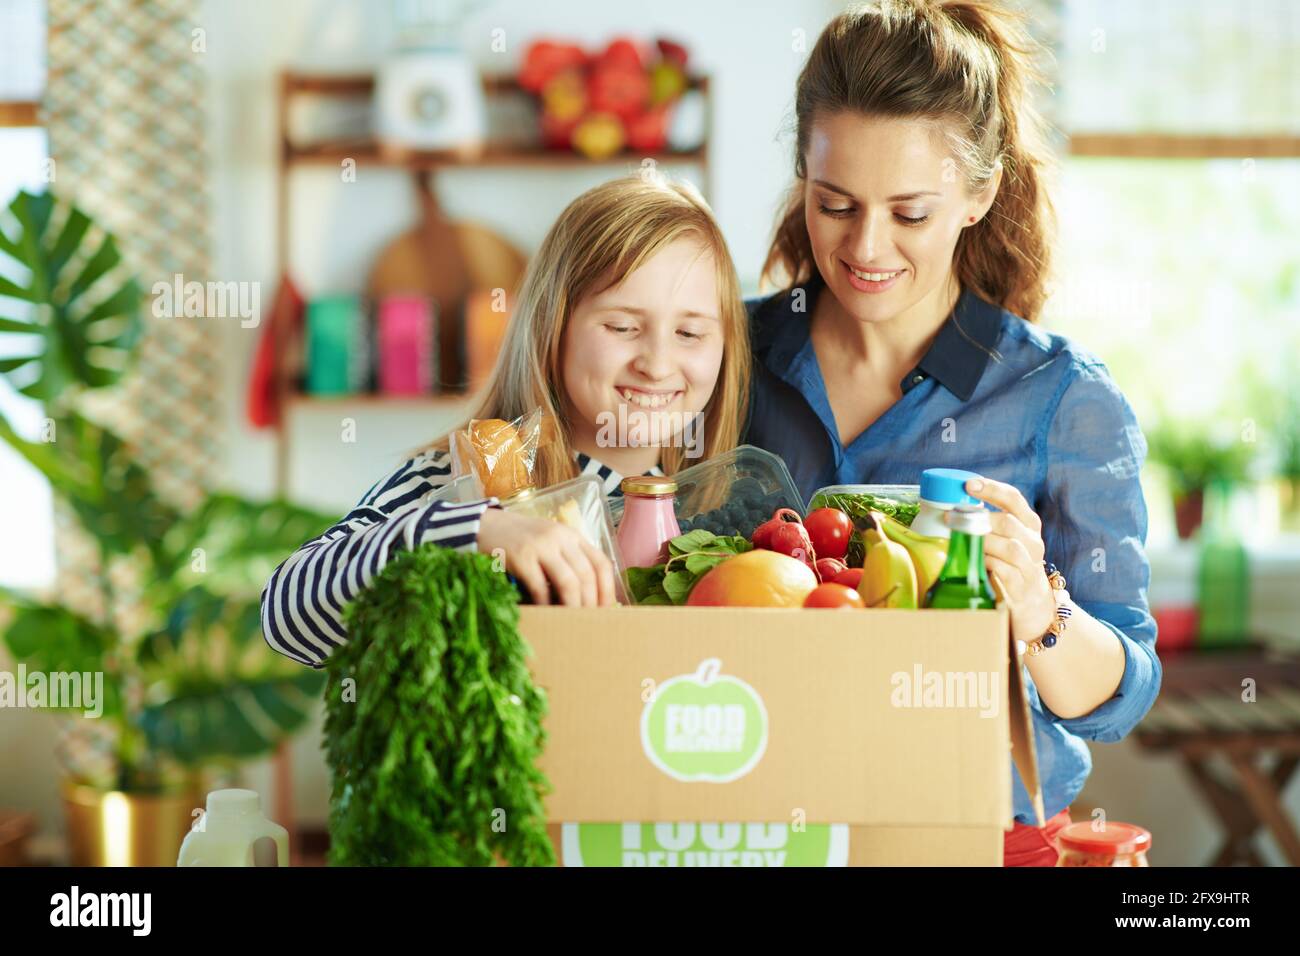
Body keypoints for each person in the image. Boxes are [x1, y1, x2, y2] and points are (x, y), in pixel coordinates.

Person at [745, 0, 1159, 865]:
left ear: (979, 195)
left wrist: (1041, 610)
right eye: (836, 204)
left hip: (982, 839)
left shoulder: (1061, 399)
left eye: (910, 213)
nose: (866, 246)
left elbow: (1119, 696)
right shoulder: (731, 356)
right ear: (803, 178)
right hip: (763, 826)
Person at [262, 172, 751, 668]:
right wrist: (471, 532)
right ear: (551, 326)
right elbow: (287, 618)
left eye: (690, 333)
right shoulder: (460, 485)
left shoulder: (716, 519)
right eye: (622, 326)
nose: (658, 363)